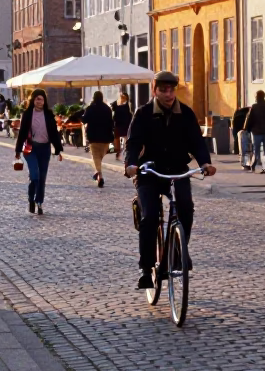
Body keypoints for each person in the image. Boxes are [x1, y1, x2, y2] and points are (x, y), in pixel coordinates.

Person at [125, 72, 216, 290]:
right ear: (154, 90)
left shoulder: (185, 113)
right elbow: (133, 142)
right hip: (149, 172)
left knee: (186, 208)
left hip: (177, 170)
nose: (168, 94)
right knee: (149, 216)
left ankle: (179, 252)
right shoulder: (143, 113)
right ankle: (145, 268)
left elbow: (196, 141)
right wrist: (130, 165)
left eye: (171, 90)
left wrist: (205, 163)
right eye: (163, 90)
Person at [14, 89, 64, 215]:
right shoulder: (27, 114)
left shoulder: (48, 114)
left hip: (45, 149)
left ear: (44, 101)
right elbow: (22, 132)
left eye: (41, 99)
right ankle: (31, 198)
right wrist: (18, 150)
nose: (39, 101)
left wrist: (58, 148)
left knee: (42, 177)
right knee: (34, 175)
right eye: (37, 99)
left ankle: (39, 202)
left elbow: (53, 132)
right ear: (33, 100)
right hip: (30, 149)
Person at [82, 91, 114, 188]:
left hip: (93, 136)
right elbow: (111, 123)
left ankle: (99, 175)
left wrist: (80, 116)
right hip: (106, 137)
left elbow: (85, 120)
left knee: (96, 157)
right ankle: (97, 173)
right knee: (99, 156)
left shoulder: (90, 108)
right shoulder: (107, 109)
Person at [111, 92, 133, 160]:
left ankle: (127, 152)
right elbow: (113, 111)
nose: (122, 98)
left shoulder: (128, 104)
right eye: (121, 97)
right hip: (118, 123)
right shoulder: (115, 104)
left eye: (124, 97)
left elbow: (131, 113)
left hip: (126, 124)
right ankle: (118, 151)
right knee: (117, 138)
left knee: (126, 139)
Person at [231, 103, 252, 170]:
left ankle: (245, 164)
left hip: (240, 132)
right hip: (248, 131)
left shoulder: (237, 114)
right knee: (248, 149)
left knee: (243, 150)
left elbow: (234, 127)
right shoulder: (249, 113)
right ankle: (248, 163)